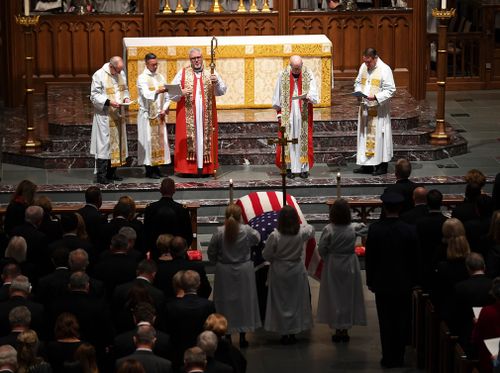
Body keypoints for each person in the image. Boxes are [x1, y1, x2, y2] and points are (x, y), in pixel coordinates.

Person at [365, 191, 418, 368]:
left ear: (384, 207)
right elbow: (414, 259)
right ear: (401, 208)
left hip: (382, 283)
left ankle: (388, 357)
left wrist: (370, 281)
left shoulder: (375, 229)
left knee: (385, 321)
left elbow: (370, 258)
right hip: (403, 283)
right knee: (402, 319)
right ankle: (399, 355)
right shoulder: (409, 230)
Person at [207, 204, 261, 348]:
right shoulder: (247, 230)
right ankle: (243, 336)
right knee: (244, 302)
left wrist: (217, 261)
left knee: (225, 303)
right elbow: (257, 239)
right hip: (244, 270)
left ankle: (227, 334)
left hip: (224, 270)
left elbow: (211, 252)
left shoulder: (219, 232)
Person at [168, 48, 226, 176]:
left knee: (204, 138)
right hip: (188, 114)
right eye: (193, 58)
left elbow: (222, 91)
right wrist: (181, 92)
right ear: (190, 60)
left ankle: (205, 168)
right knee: (191, 138)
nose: (196, 60)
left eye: (198, 57)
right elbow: (171, 93)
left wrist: (216, 83)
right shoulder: (183, 73)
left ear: (202, 58)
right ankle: (189, 169)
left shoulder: (210, 72)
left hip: (206, 115)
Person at [317, 199, 367, 343]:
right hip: (349, 262)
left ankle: (338, 327)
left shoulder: (329, 229)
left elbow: (322, 249)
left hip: (333, 264)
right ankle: (345, 328)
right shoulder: (353, 228)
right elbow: (365, 229)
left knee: (335, 295)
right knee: (347, 295)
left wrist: (329, 258)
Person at [262, 205, 314, 345]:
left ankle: (283, 332)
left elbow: (266, 254)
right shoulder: (301, 233)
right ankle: (293, 331)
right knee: (295, 302)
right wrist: (301, 224)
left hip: (279, 270)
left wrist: (276, 259)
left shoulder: (275, 235)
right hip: (296, 269)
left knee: (281, 303)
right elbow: (311, 230)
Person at [272, 55, 319, 179]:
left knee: (303, 139)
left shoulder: (308, 73)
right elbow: (277, 95)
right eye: (295, 69)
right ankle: (288, 167)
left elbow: (314, 93)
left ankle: (304, 168)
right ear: (290, 66)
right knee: (289, 139)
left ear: (302, 64)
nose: (297, 71)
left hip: (303, 112)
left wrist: (309, 96)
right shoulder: (283, 75)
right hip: (289, 112)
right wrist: (279, 113)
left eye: (299, 68)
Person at [353, 47, 396, 176]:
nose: (366, 65)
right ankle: (366, 165)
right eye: (365, 62)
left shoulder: (385, 69)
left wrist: (376, 97)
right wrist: (358, 91)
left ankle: (382, 166)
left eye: (369, 62)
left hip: (378, 111)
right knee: (365, 136)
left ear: (375, 58)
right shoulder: (363, 67)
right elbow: (358, 81)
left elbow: (391, 90)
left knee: (379, 137)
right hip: (365, 108)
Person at [90, 56, 130, 184]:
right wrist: (109, 102)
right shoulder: (99, 75)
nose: (119, 73)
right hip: (105, 116)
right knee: (104, 146)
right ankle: (102, 176)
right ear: (111, 66)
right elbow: (94, 95)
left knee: (116, 144)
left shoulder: (120, 73)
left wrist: (126, 99)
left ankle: (112, 173)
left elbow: (125, 90)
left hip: (117, 115)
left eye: (120, 70)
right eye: (117, 70)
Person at [136, 52, 171, 179]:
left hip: (159, 115)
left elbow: (168, 95)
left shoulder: (160, 77)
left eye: (156, 64)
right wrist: (158, 90)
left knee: (160, 143)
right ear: (146, 64)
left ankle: (157, 168)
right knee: (149, 142)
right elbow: (146, 94)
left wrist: (165, 108)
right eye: (152, 65)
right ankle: (149, 170)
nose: (155, 67)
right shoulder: (142, 78)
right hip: (147, 116)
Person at [143, 178, 193, 258]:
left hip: (156, 252)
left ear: (160, 190)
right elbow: (188, 235)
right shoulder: (182, 209)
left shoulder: (151, 208)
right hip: (177, 253)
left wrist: (151, 247)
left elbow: (146, 233)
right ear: (174, 190)